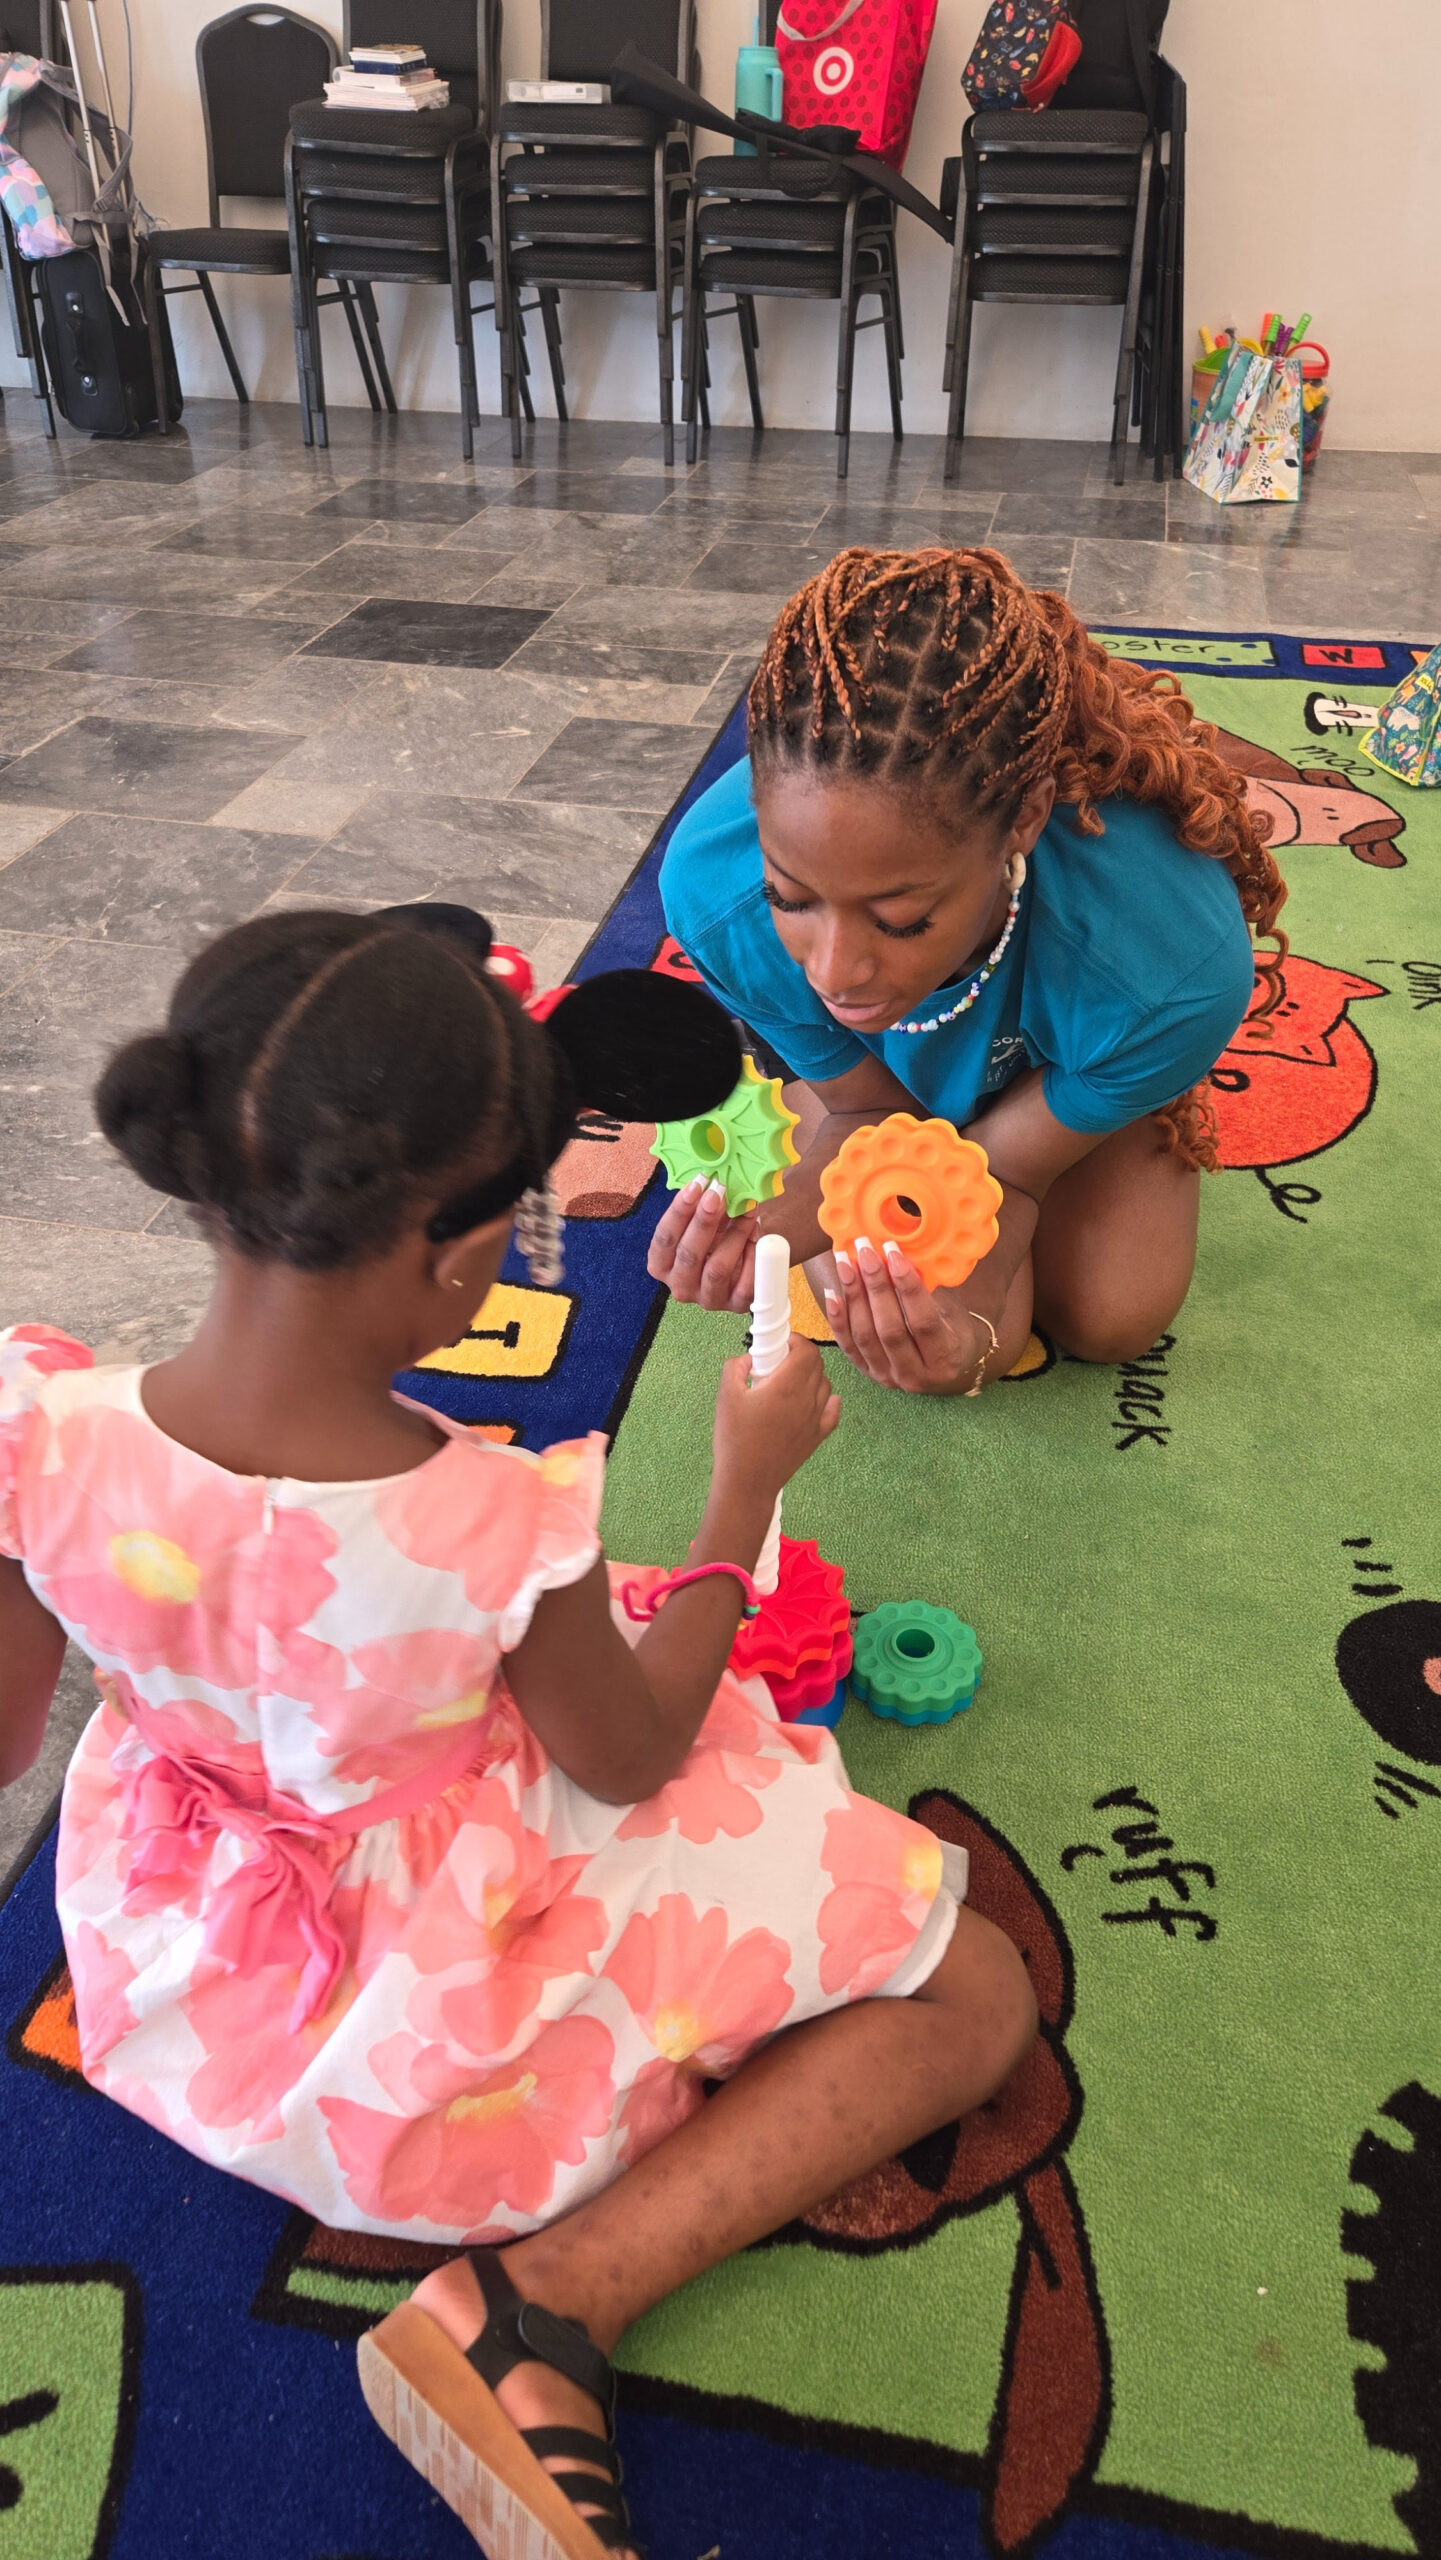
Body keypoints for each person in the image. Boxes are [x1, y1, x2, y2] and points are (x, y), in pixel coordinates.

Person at [0, 906, 1036, 2560]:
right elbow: (627, 1757)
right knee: (974, 1989)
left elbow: (9, 1742)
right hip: (432, 2005)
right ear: (448, 1255)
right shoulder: (488, 1527)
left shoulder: (35, 1422)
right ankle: (542, 2305)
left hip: (181, 1967)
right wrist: (739, 1499)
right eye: (521, 1227)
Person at [653, 546, 1288, 1396]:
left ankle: (1117, 1092)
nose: (834, 974)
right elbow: (868, 1111)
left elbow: (1011, 1172)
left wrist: (970, 1332)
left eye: (898, 918)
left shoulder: (1171, 968)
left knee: (1110, 1318)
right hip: (875, 1082)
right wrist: (766, 1231)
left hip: (1069, 1057)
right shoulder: (713, 890)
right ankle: (795, 1089)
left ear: (1024, 820)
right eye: (790, 897)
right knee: (902, 1322)